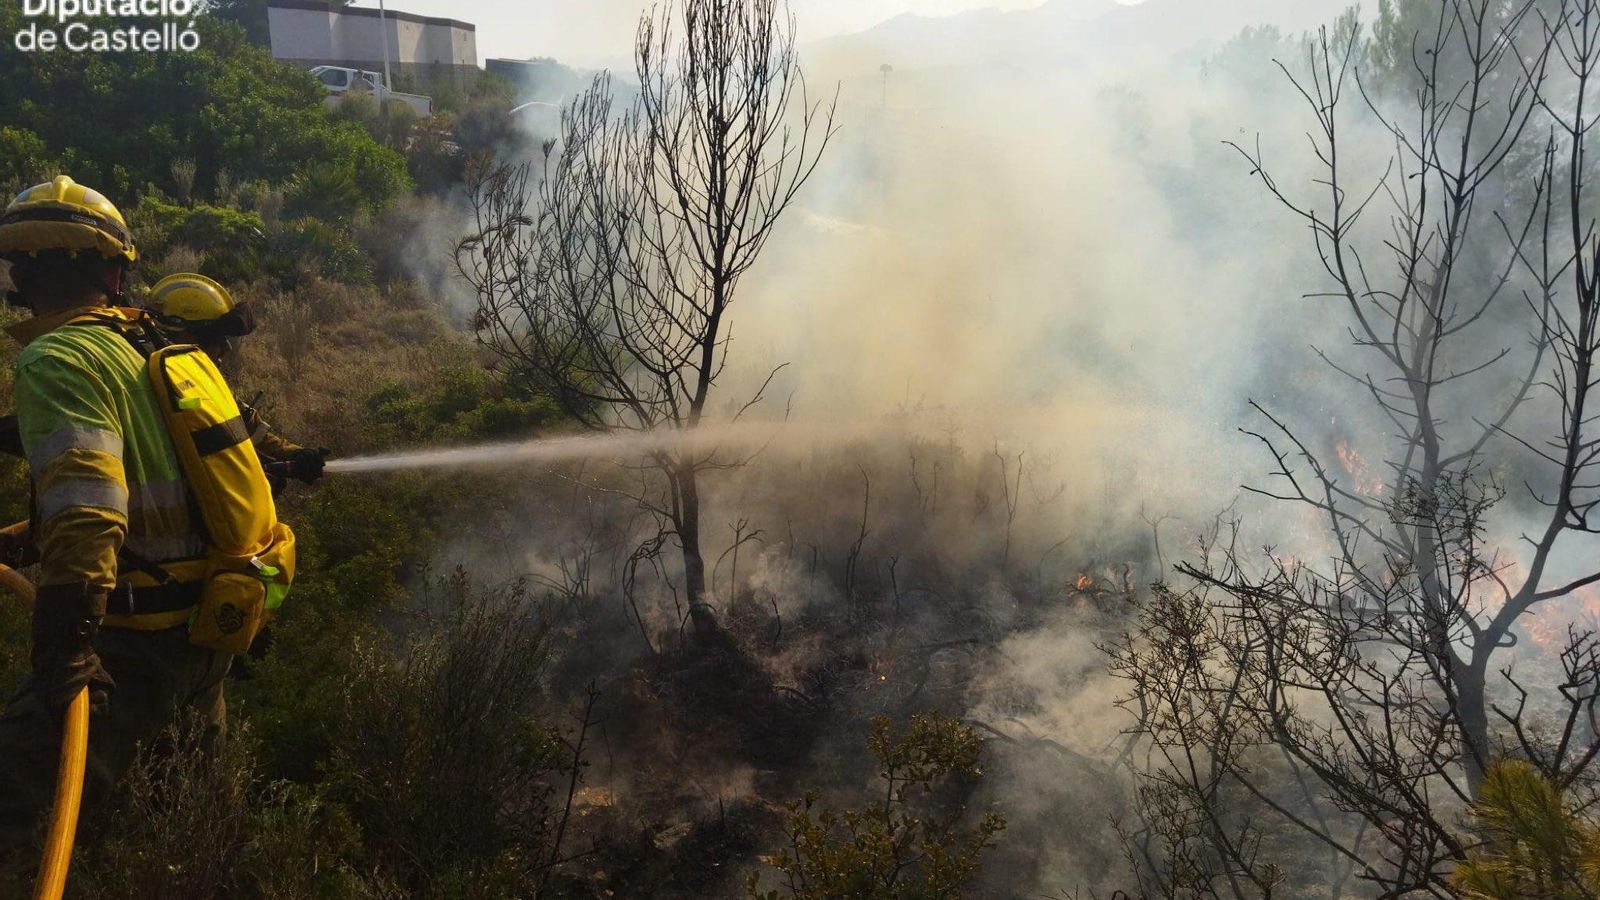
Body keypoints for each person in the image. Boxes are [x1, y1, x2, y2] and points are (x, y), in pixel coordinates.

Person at [0, 176, 234, 851]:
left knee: (16, 818)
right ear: (112, 269)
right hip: (202, 641)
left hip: (131, 646)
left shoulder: (58, 357)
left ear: (24, 271)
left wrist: (66, 648)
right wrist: (25, 540)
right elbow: (154, 493)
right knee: (177, 840)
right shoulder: (151, 347)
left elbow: (92, 512)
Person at [144, 273, 327, 489]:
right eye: (216, 339)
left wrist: (293, 454)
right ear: (181, 337)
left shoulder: (198, 381)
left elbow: (243, 423)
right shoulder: (147, 388)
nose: (227, 348)